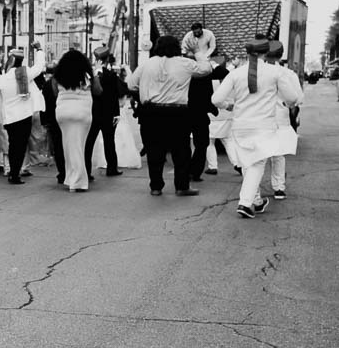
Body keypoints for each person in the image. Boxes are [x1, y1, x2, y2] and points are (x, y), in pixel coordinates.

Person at [213, 37, 304, 218]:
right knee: (257, 163)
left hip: (239, 126)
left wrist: (228, 106)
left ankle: (256, 201)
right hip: (264, 126)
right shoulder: (275, 73)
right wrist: (286, 103)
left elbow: (215, 100)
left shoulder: (235, 73)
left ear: (247, 53)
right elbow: (293, 98)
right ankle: (245, 203)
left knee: (248, 162)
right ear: (265, 52)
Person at [126, 35, 212, 196]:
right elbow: (206, 69)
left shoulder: (147, 64)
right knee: (181, 151)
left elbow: (131, 84)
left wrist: (147, 89)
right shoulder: (185, 63)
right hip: (177, 113)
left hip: (151, 113)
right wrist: (198, 52)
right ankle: (182, 186)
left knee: (154, 150)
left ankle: (156, 187)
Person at [0, 53, 44, 185]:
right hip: (24, 115)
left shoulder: (1, 79)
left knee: (13, 145)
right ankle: (15, 173)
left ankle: (12, 172)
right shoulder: (25, 75)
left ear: (9, 63)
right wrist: (39, 51)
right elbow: (39, 67)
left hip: (9, 117)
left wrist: (2, 119)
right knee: (21, 147)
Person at [52, 49, 96, 192]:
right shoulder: (87, 75)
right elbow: (98, 90)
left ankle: (70, 178)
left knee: (68, 146)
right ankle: (78, 182)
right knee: (78, 147)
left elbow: (54, 92)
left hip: (63, 112)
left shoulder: (58, 75)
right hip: (82, 113)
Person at [263, 41, 302, 199]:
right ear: (281, 55)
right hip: (280, 118)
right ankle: (279, 187)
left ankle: (252, 191)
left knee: (258, 156)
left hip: (259, 117)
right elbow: (297, 98)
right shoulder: (288, 74)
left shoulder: (256, 72)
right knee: (278, 155)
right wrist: (287, 105)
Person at [84, 46, 124, 178]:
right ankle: (112, 168)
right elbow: (114, 96)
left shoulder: (88, 74)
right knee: (109, 141)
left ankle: (86, 171)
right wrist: (116, 113)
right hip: (107, 113)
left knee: (88, 143)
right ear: (107, 59)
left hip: (92, 113)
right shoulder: (111, 75)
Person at [186, 47, 221, 185]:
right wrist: (212, 108)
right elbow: (208, 95)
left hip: (183, 112)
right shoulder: (205, 75)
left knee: (184, 145)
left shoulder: (182, 74)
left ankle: (185, 170)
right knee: (202, 144)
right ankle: (195, 171)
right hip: (199, 114)